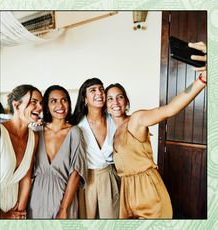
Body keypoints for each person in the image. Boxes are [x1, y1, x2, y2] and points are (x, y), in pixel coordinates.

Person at [105, 41, 207, 219]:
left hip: (148, 192)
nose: (115, 102)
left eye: (119, 97)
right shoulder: (114, 131)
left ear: (126, 101)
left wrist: (202, 80)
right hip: (128, 194)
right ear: (106, 106)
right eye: (110, 99)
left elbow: (169, 109)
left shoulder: (137, 119)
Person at [27, 85, 87, 219]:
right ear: (46, 106)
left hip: (64, 197)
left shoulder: (75, 132)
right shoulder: (36, 131)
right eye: (53, 101)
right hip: (36, 198)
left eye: (64, 100)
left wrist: (64, 208)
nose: (60, 105)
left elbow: (76, 173)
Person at [71, 78, 120, 219]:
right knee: (88, 220)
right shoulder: (76, 125)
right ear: (85, 99)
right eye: (93, 90)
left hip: (109, 177)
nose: (99, 93)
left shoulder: (114, 119)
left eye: (101, 89)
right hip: (86, 180)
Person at [0, 84, 43, 219]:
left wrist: (19, 213)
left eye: (41, 103)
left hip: (15, 207)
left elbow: (26, 178)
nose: (40, 107)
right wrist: (1, 215)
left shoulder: (33, 137)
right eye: (33, 102)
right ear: (16, 105)